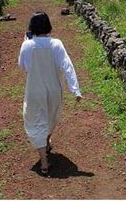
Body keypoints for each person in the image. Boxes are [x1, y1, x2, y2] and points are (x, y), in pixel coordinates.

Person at [17, 11, 81, 174]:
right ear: (48, 26)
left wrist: (26, 42)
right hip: (54, 89)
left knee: (36, 120)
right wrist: (75, 90)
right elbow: (67, 66)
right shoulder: (56, 44)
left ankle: (44, 161)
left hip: (35, 90)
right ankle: (46, 141)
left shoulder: (27, 45)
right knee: (51, 117)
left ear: (31, 27)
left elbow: (23, 65)